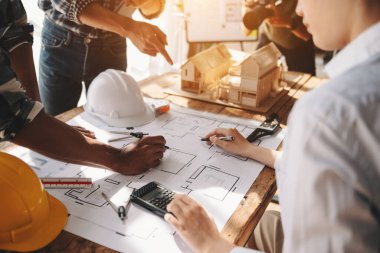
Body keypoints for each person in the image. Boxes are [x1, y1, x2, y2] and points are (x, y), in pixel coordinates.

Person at [165, 0, 380, 252]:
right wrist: (250, 150)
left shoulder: (328, 112)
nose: (298, 10)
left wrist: (211, 245)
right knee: (263, 223)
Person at [1, 0, 166, 176]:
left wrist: (51, 128)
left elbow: (14, 31)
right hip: (62, 37)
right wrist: (119, 159)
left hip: (111, 41)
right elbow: (11, 116)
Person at [38, 0, 173, 116]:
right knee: (56, 125)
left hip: (112, 42)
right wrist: (131, 28)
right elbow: (74, 4)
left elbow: (155, 7)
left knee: (117, 122)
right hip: (60, 42)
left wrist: (147, 2)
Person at [244, 0, 316, 75]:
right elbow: (246, 32)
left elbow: (307, 36)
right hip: (270, 38)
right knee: (253, 72)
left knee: (305, 81)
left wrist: (289, 22)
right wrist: (248, 7)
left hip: (298, 46)